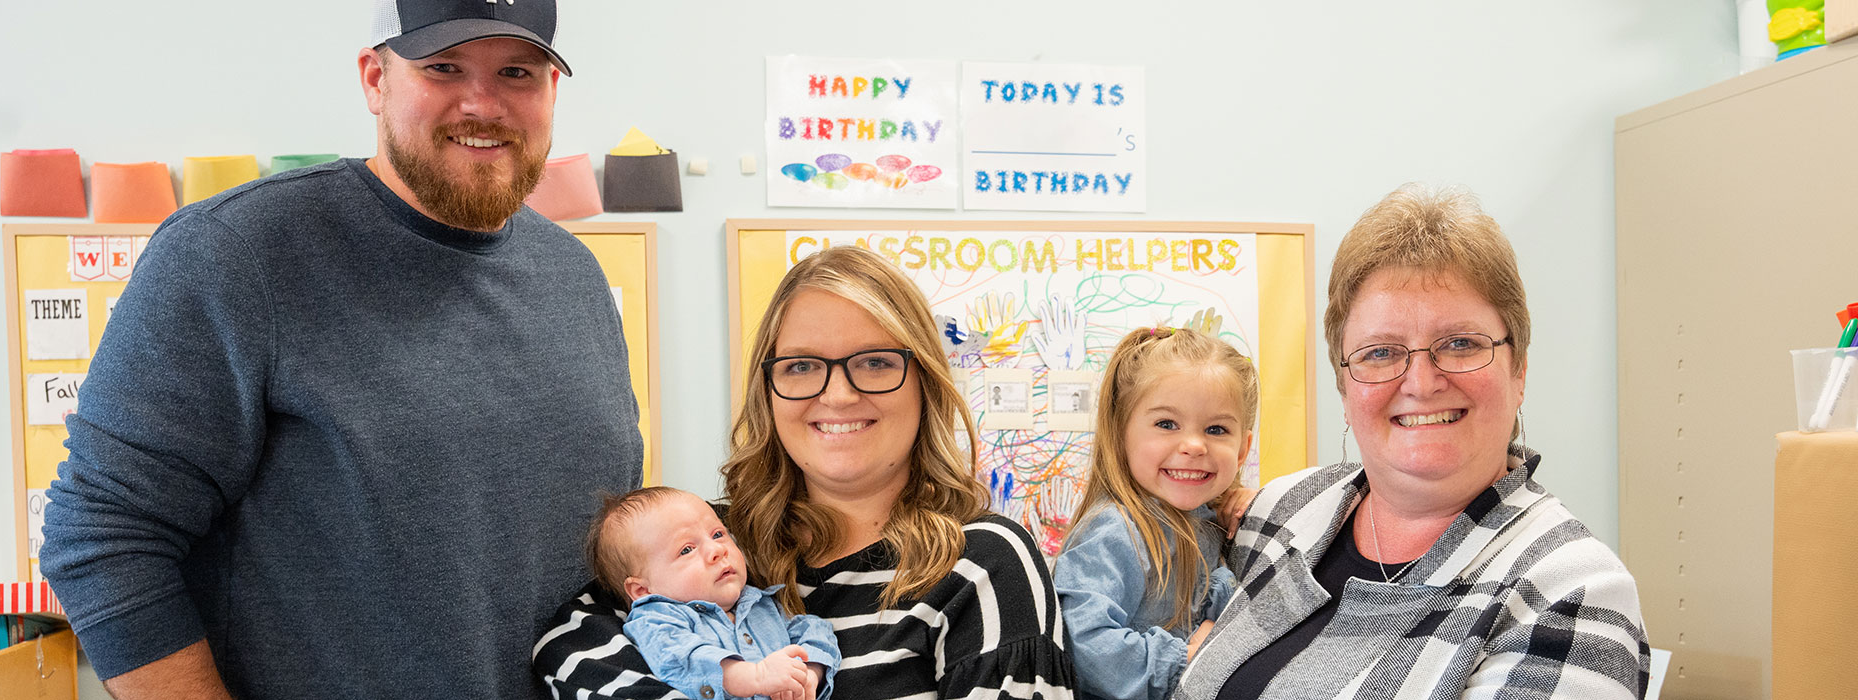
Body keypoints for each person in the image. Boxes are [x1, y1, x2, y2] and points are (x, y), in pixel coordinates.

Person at [38, 1, 644, 698]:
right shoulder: (234, 255)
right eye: (443, 67)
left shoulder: (574, 277)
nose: (484, 103)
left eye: (517, 72)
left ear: (551, 91)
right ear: (373, 79)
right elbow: (102, 535)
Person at [534, 245, 1076, 699]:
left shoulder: (982, 563)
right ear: (767, 392)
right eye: (800, 366)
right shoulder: (704, 538)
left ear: (925, 382)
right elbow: (564, 649)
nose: (837, 394)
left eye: (875, 361)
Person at [1173, 185, 1649, 699]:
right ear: (1344, 385)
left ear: (1520, 372)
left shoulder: (1573, 591)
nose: (1421, 383)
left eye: (1461, 343)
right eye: (1380, 352)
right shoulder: (1281, 510)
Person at [1054, 326, 1257, 700]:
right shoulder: (1115, 530)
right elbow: (1084, 642)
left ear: (1242, 450)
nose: (1195, 445)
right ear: (1120, 434)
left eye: (1216, 429)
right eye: (1166, 424)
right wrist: (1190, 659)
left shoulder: (1212, 523)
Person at [591, 487, 839, 700]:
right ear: (643, 590)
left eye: (718, 534)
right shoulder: (657, 619)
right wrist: (756, 676)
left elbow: (814, 631)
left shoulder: (760, 604)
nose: (716, 550)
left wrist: (809, 671)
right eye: (687, 549)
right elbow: (683, 658)